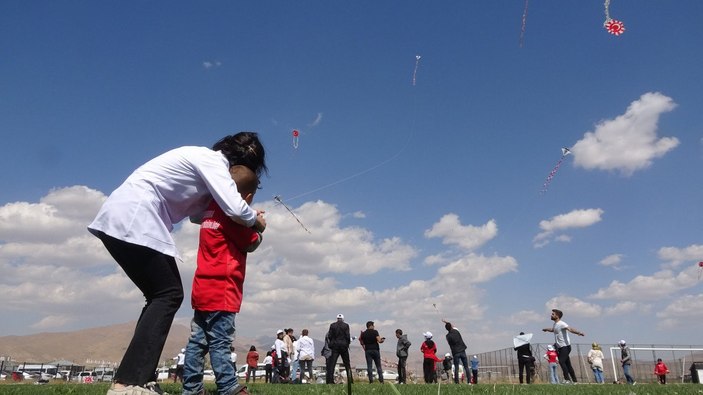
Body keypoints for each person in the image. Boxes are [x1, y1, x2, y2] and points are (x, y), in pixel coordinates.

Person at [89, 132, 268, 395]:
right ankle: (127, 384)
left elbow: (199, 215)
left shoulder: (199, 161)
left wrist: (236, 212)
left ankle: (139, 378)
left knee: (159, 295)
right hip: (134, 216)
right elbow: (233, 208)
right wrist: (256, 220)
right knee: (167, 294)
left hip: (122, 215)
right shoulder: (212, 162)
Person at [182, 165, 264, 395]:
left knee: (197, 342)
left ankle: (192, 389)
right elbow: (251, 242)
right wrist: (258, 226)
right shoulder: (233, 216)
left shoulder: (210, 211)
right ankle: (229, 388)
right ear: (246, 198)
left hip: (201, 289)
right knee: (220, 341)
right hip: (223, 290)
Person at [542, 309, 584, 384]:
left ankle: (567, 379)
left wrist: (579, 332)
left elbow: (570, 329)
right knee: (568, 364)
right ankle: (575, 381)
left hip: (565, 347)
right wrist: (546, 329)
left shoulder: (562, 323)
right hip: (560, 348)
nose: (551, 315)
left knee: (561, 361)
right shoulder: (555, 324)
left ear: (557, 316)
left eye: (553, 314)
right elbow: (553, 329)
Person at [326, 314, 353, 384]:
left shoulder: (332, 325)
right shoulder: (346, 325)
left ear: (337, 319)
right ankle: (350, 380)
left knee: (332, 364)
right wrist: (347, 343)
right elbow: (348, 336)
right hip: (344, 346)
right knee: (347, 364)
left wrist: (333, 342)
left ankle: (330, 381)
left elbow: (329, 336)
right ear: (343, 319)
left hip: (335, 346)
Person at [442, 320, 470, 384]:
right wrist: (446, 322)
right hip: (462, 350)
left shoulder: (447, 336)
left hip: (455, 352)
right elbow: (453, 326)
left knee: (456, 368)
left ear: (446, 329)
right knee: (466, 367)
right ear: (451, 327)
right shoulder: (456, 331)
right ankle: (469, 381)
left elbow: (449, 342)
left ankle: (457, 382)